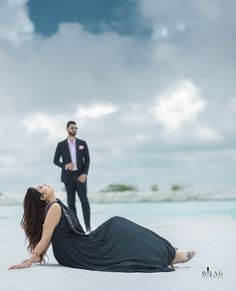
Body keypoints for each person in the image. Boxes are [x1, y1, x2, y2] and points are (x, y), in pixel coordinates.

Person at [9, 185, 196, 271]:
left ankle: (170, 252)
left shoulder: (56, 204)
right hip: (77, 250)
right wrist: (30, 260)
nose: (45, 185)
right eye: (42, 187)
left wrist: (36, 257)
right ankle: (171, 254)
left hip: (76, 246)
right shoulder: (54, 207)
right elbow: (46, 237)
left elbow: (52, 235)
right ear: (43, 197)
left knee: (118, 226)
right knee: (117, 225)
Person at [53, 120, 91, 233]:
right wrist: (65, 165)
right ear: (67, 129)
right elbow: (55, 160)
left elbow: (87, 159)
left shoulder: (82, 143)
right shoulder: (61, 145)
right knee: (71, 202)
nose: (74, 130)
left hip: (80, 176)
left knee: (84, 200)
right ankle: (76, 228)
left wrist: (85, 174)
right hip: (68, 177)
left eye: (75, 128)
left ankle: (88, 227)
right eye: (72, 128)